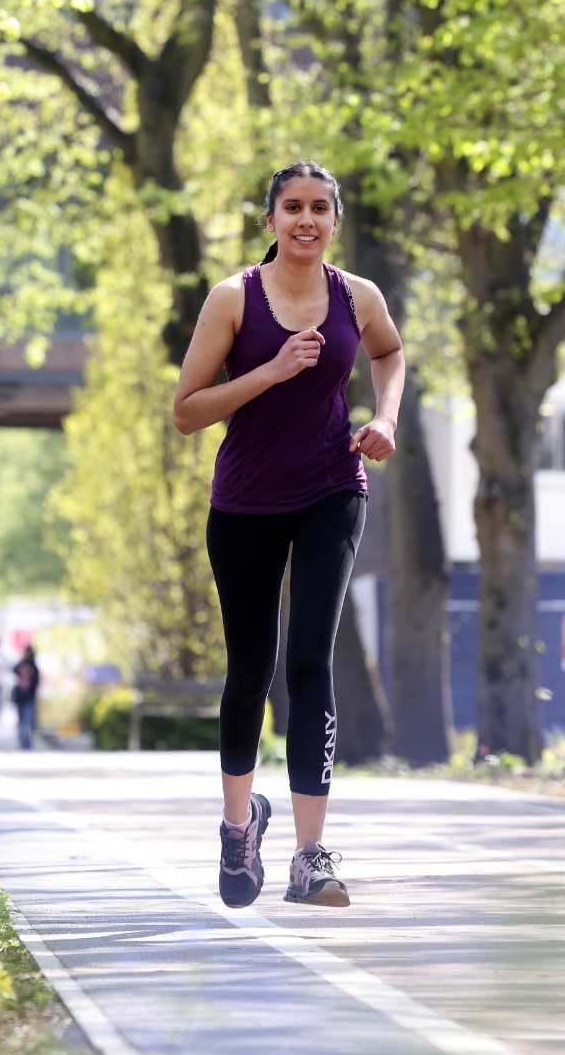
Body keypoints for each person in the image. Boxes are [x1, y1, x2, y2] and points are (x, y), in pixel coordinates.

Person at [170, 160, 404, 910]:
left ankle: (311, 855)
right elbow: (188, 409)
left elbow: (390, 355)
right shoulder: (232, 298)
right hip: (244, 501)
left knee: (310, 662)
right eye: (291, 207)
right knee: (251, 667)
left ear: (335, 221)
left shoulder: (357, 296)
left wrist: (385, 418)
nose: (306, 220)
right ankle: (239, 829)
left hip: (333, 488)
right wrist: (269, 372)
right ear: (269, 220)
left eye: (320, 209)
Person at [10, 644, 41, 750]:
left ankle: (28, 743)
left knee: (28, 722)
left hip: (29, 698)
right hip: (20, 698)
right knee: (21, 721)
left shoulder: (34, 667)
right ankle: (22, 742)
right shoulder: (21, 664)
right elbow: (14, 669)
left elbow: (36, 683)